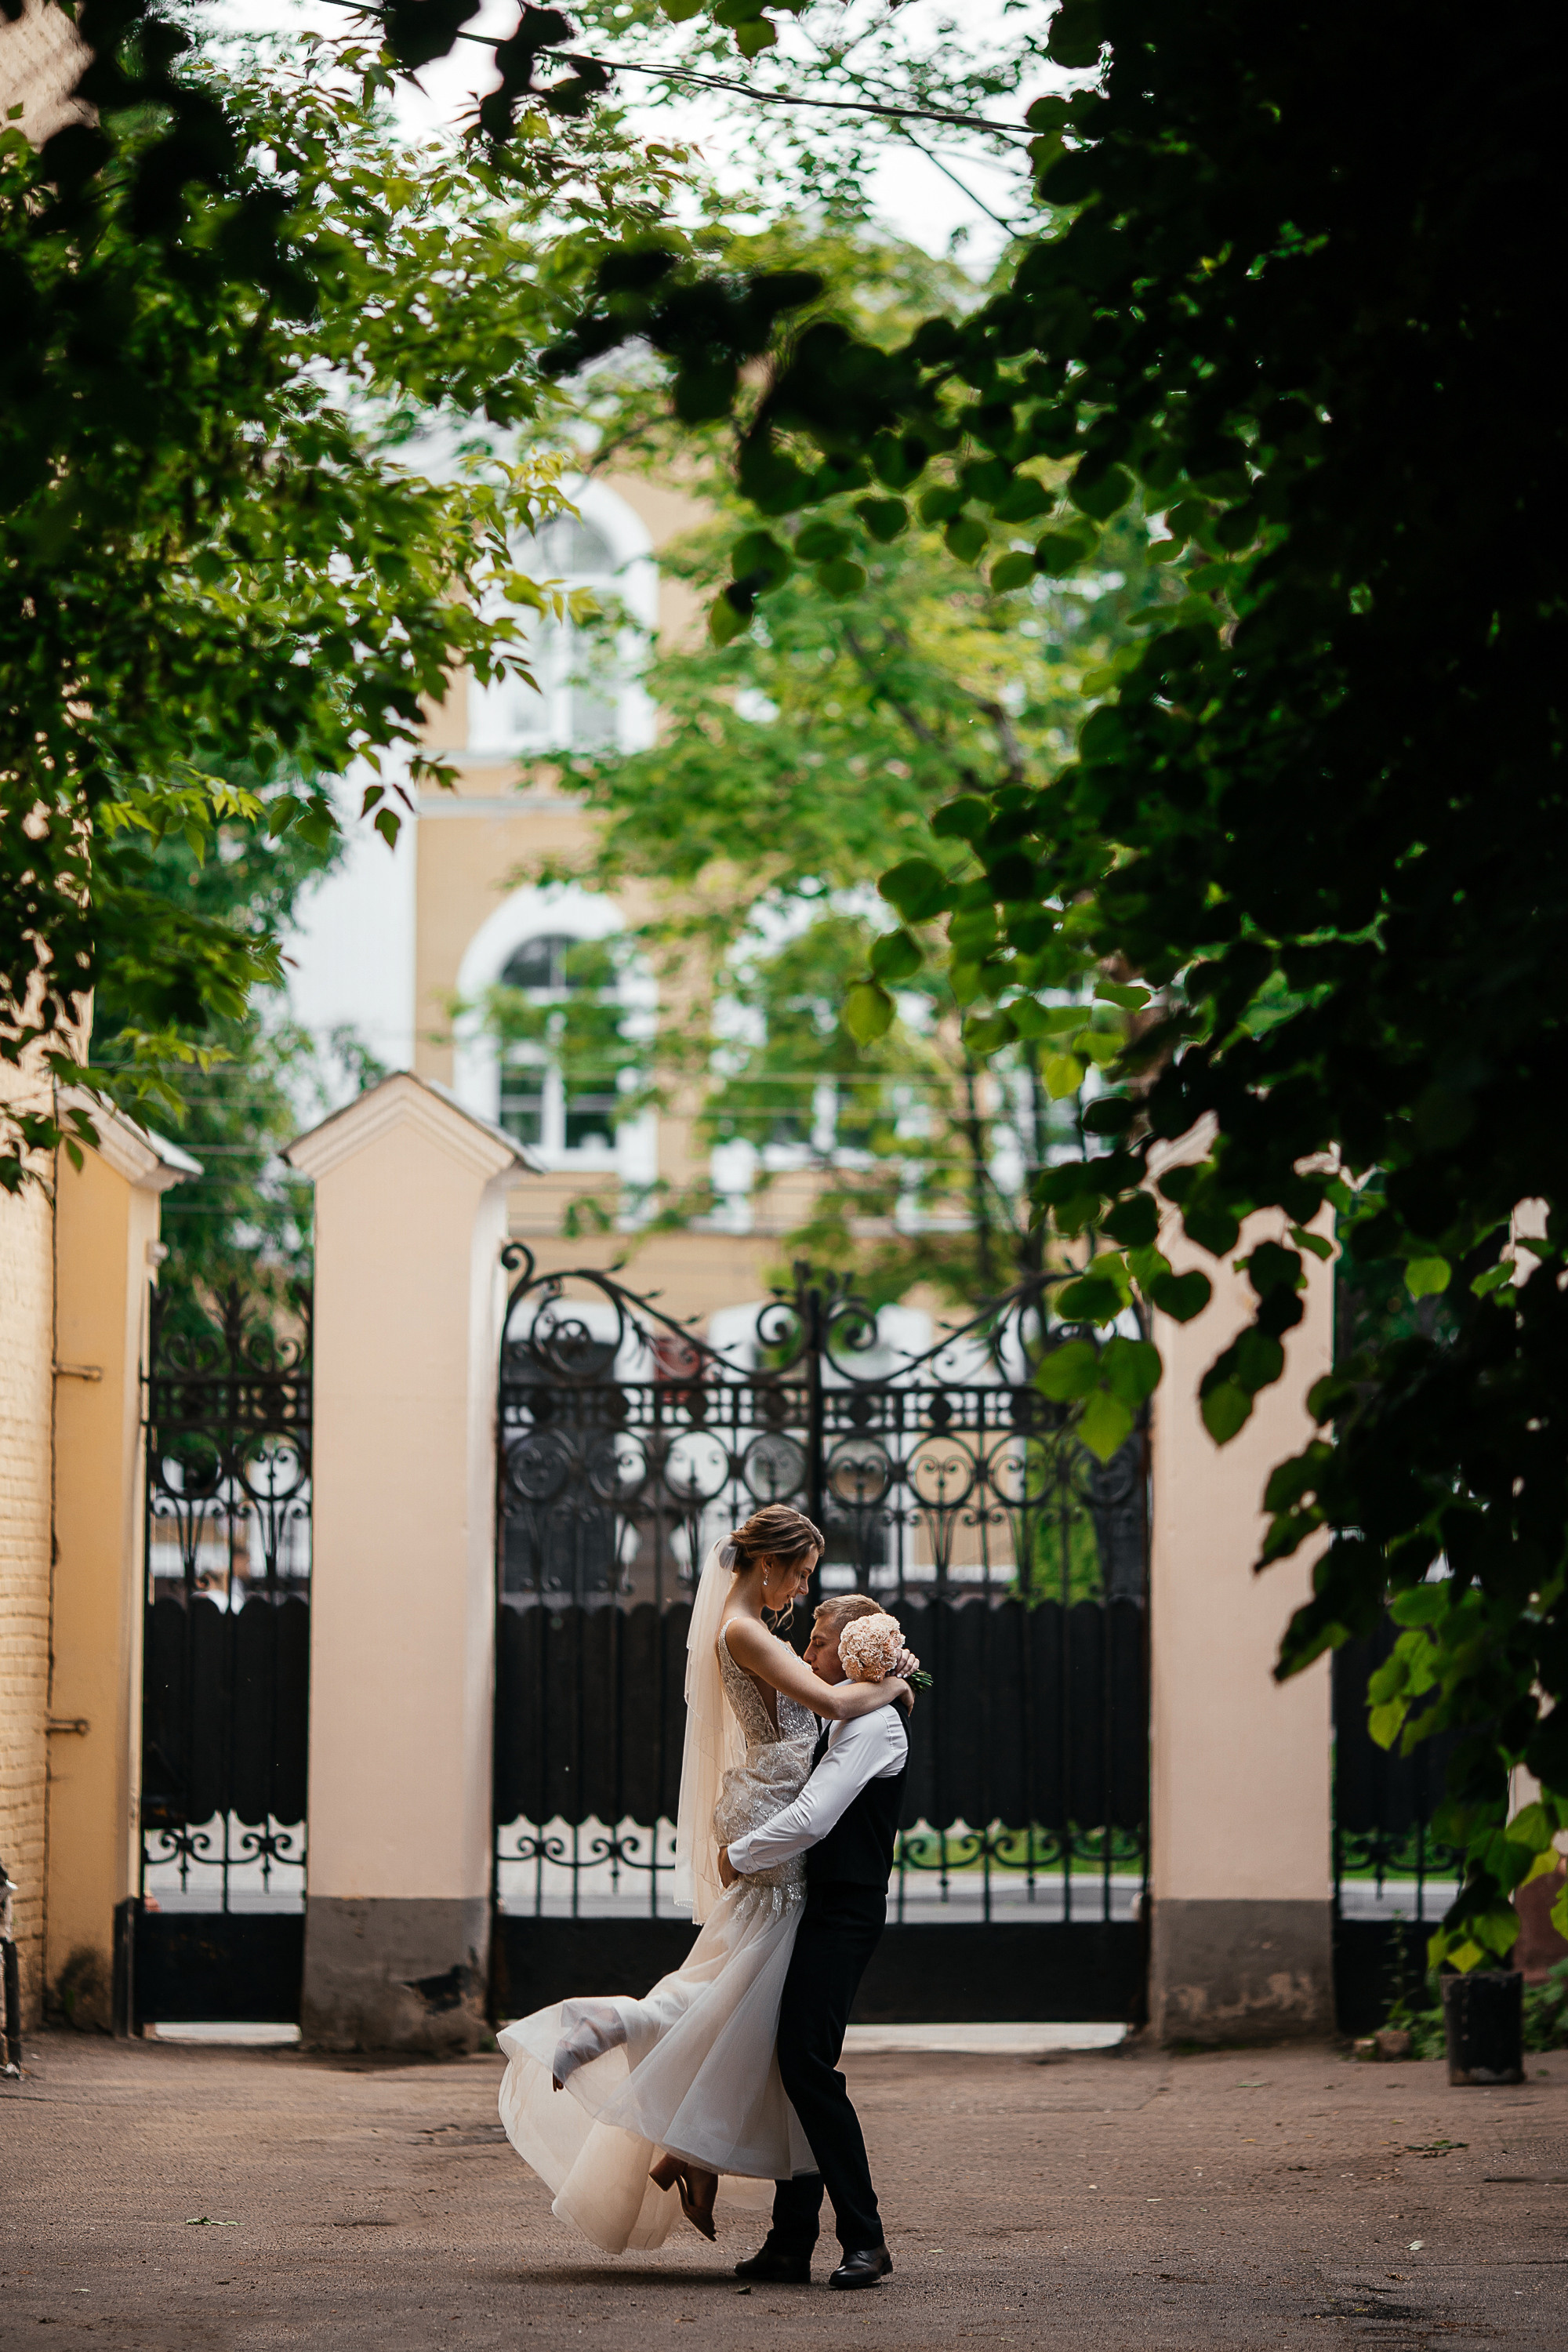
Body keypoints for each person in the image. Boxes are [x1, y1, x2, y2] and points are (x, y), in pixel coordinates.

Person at [494, 1504, 912, 2259]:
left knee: (753, 2012)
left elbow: (824, 1718)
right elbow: (829, 1706)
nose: (804, 1589)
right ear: (768, 1565)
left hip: (782, 1823)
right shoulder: (747, 1630)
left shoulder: (756, 1631)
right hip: (777, 1827)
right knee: (743, 1996)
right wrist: (895, 1685)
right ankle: (617, 2036)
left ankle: (706, 2167)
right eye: (803, 1572)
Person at [719, 1595, 910, 2291]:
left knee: (807, 2066)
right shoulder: (860, 1711)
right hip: (819, 1907)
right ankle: (790, 2242)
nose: (808, 1655)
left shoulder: (873, 1729)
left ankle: (866, 2238)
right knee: (796, 2065)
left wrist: (736, 1855)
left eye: (820, 1642)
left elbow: (813, 1816)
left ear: (855, 1649)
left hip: (846, 1913)